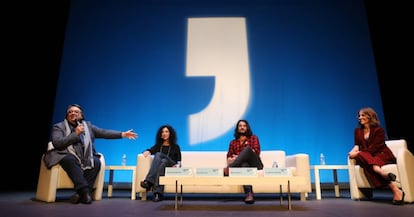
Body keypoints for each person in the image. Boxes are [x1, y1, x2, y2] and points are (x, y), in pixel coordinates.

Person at [44, 104, 138, 204]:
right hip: (64, 154)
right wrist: (75, 134)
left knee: (96, 162)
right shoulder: (59, 127)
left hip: (84, 157)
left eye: (76, 112)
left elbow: (103, 132)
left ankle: (80, 194)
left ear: (81, 115)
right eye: (70, 112)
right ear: (67, 115)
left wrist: (122, 134)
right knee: (70, 159)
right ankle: (85, 192)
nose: (73, 113)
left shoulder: (87, 127)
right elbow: (57, 143)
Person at [348, 107, 404, 205]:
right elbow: (356, 146)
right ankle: (395, 189)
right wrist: (351, 153)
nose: (360, 118)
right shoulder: (357, 131)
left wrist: (358, 154)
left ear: (370, 117)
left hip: (381, 155)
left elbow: (375, 148)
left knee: (367, 165)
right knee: (366, 161)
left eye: (362, 115)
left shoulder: (379, 130)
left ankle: (377, 169)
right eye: (359, 116)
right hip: (368, 156)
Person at [224, 119, 263, 204]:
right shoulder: (233, 142)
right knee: (244, 164)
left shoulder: (253, 138)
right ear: (237, 128)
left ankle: (229, 169)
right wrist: (239, 159)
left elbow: (255, 151)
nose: (242, 127)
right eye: (240, 126)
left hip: (256, 165)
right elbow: (229, 158)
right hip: (242, 167)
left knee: (248, 149)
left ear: (247, 128)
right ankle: (249, 193)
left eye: (244, 126)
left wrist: (237, 157)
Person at [140, 124, 182, 202]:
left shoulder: (175, 146)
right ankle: (157, 194)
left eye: (166, 132)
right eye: (162, 132)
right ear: (160, 134)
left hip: (171, 165)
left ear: (170, 134)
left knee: (158, 154)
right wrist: (148, 151)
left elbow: (179, 161)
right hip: (163, 165)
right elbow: (150, 150)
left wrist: (177, 166)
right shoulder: (159, 146)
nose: (164, 133)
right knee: (163, 161)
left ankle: (149, 181)